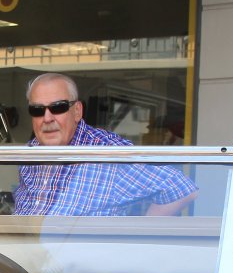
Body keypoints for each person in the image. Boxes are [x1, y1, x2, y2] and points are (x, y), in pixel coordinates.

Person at [13, 73, 198, 216]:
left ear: (77, 111)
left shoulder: (106, 151)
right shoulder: (31, 152)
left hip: (83, 256)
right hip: (22, 253)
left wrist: (138, 237)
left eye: (58, 107)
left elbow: (181, 189)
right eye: (37, 110)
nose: (47, 118)